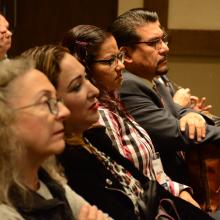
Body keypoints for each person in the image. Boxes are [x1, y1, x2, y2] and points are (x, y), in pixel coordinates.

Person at [22, 45, 214, 220]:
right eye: (76, 86)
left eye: (86, 79)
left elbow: (146, 185)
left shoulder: (93, 137)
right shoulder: (66, 162)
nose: (93, 90)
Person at [60, 24, 197, 202]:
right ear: (85, 68)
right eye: (110, 61)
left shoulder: (115, 101)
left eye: (120, 57)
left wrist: (181, 193)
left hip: (166, 194)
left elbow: (154, 173)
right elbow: (131, 189)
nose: (121, 66)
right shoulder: (98, 115)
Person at [108, 8, 220, 185]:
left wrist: (191, 114)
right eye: (154, 43)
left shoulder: (157, 77)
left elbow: (179, 111)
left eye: (163, 39)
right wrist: (186, 113)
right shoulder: (127, 85)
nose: (165, 48)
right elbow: (176, 133)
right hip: (166, 189)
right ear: (126, 54)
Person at [0, 58, 110, 220]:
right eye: (46, 103)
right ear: (4, 118)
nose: (64, 112)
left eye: (57, 101)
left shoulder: (49, 185)